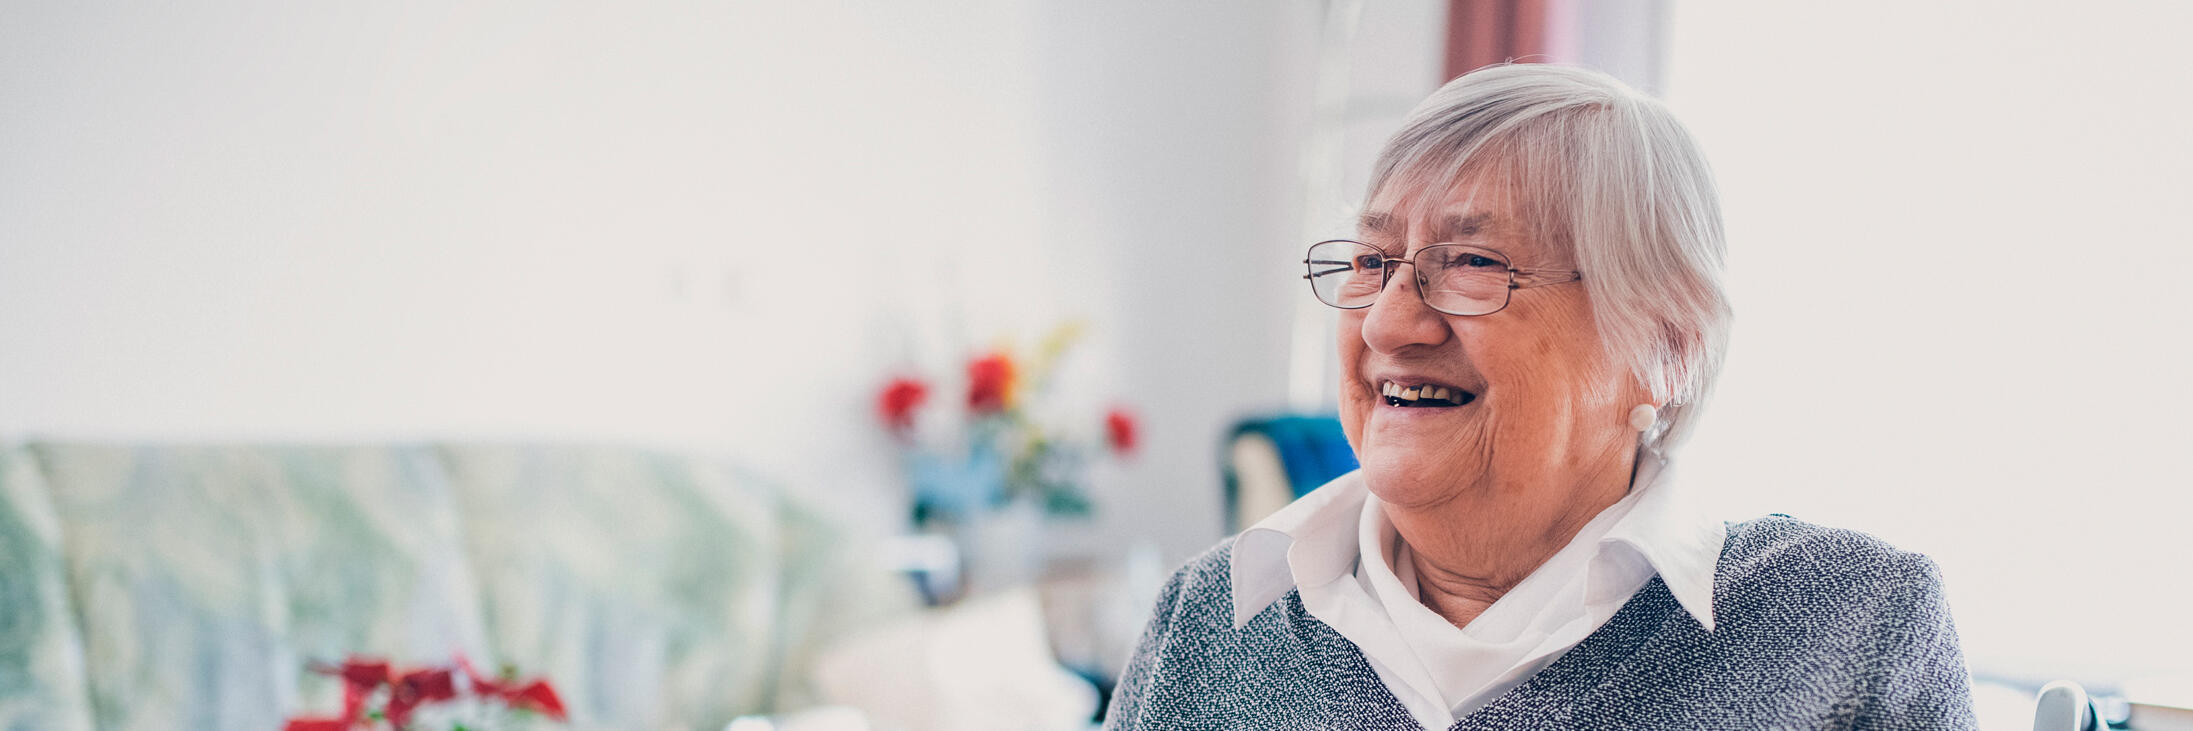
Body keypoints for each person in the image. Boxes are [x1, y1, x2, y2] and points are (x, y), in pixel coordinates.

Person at [1105, 64, 1977, 729]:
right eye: (1372, 263)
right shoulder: (1207, 617)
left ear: (1663, 345)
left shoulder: (1852, 619)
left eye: (1474, 263)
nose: (1387, 323)